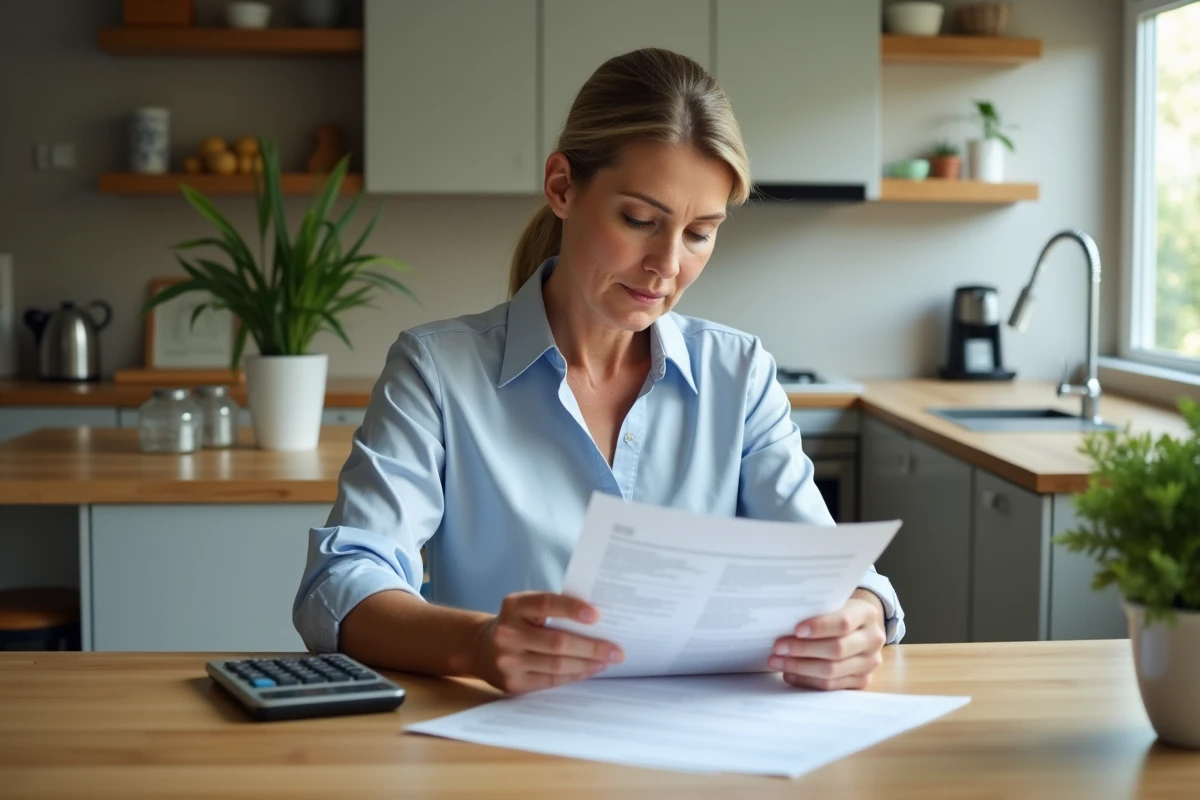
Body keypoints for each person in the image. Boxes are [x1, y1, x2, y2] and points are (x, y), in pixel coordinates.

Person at [294, 47, 904, 695]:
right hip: (509, 754)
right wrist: (475, 645)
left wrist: (859, 617)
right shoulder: (438, 371)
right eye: (640, 220)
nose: (667, 264)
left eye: (700, 232)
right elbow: (342, 582)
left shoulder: (740, 373)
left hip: (700, 756)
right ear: (562, 187)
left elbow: (827, 571)